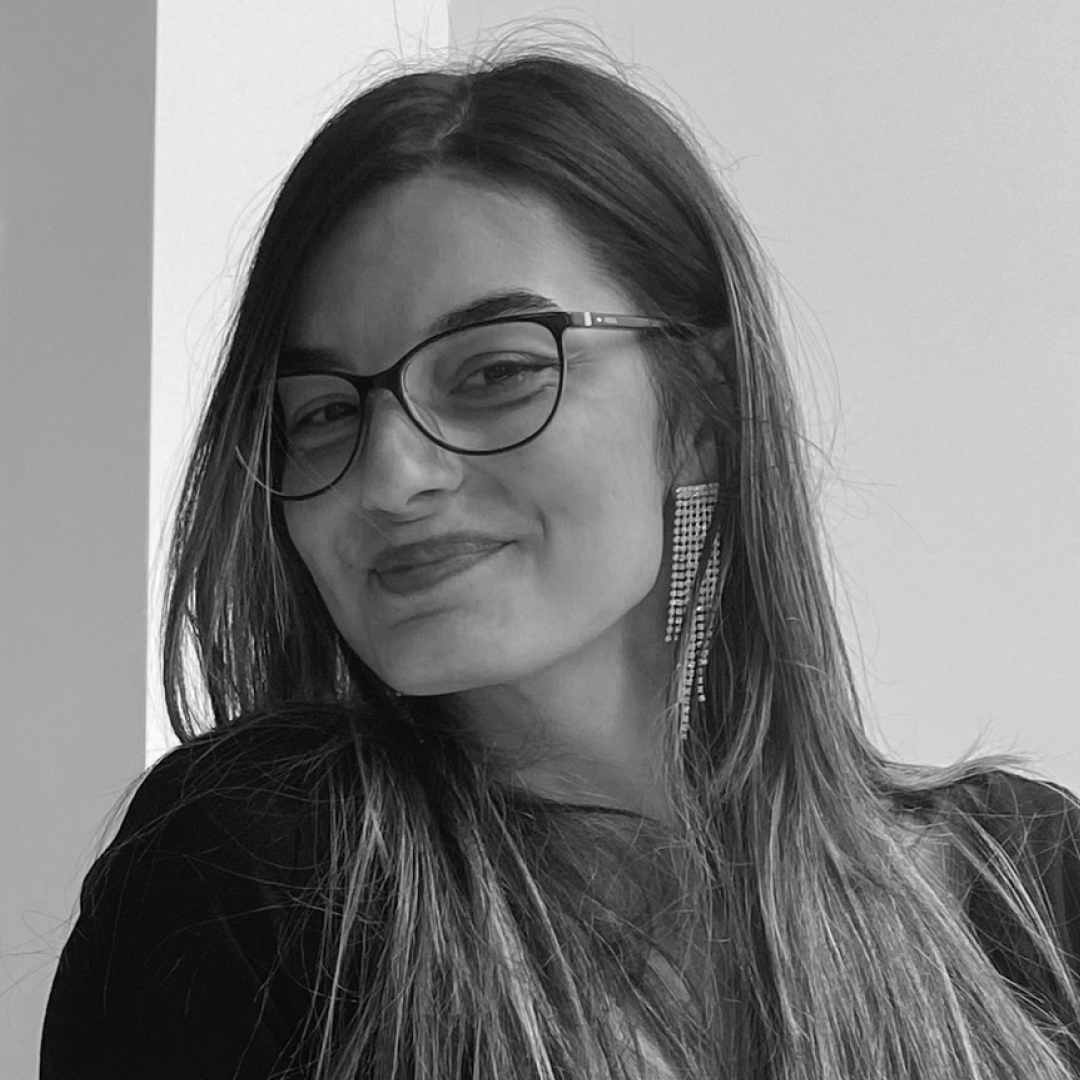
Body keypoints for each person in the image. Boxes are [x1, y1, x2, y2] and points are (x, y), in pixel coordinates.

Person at [40, 41, 1080, 1080]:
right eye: (321, 415)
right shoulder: (250, 888)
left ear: (703, 413)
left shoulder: (1029, 886)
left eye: (495, 371)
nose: (390, 476)